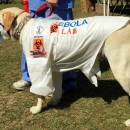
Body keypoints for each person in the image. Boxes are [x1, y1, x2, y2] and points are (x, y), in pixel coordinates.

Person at [13, 0, 77, 93]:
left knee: (62, 41)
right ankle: (29, 76)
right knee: (33, 41)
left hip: (59, 5)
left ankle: (67, 81)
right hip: (36, 4)